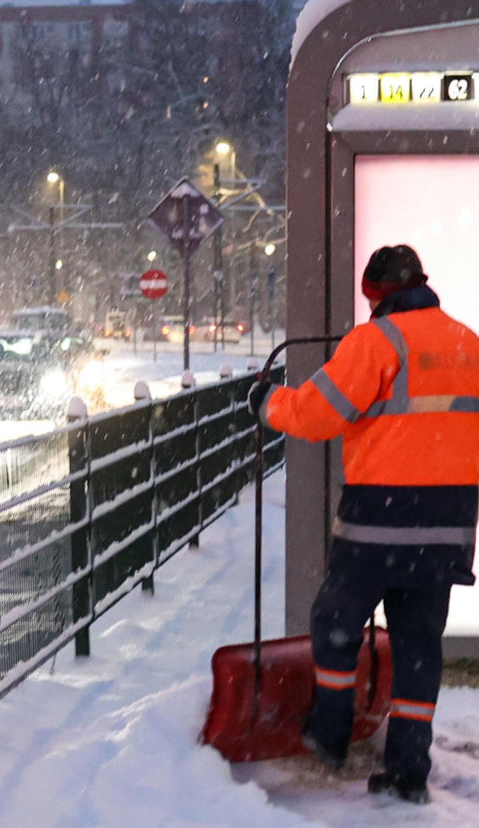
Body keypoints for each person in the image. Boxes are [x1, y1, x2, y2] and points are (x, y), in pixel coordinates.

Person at [247, 245, 479, 804]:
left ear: (374, 294)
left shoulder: (376, 342)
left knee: (335, 621)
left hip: (380, 517)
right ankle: (407, 771)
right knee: (420, 645)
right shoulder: (468, 343)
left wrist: (265, 402)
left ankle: (329, 733)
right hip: (449, 525)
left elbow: (314, 414)